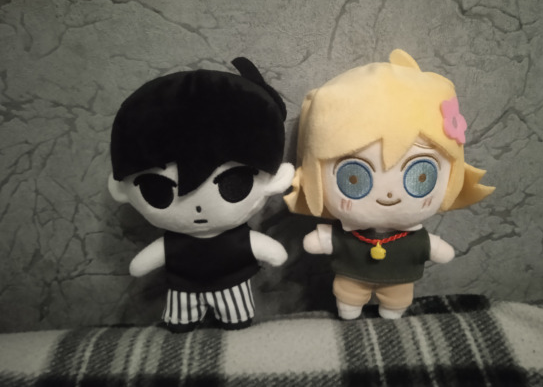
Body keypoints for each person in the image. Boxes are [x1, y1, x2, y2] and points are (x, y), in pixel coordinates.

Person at [284, 49, 494, 320]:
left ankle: (391, 313)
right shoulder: (348, 235)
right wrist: (324, 239)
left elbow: (438, 251)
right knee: (348, 297)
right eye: (354, 178)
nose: (389, 194)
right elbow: (319, 242)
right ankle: (350, 311)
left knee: (397, 300)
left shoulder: (413, 239)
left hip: (399, 281)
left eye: (420, 176)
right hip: (350, 279)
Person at [108, 57, 294, 331]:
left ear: (275, 180)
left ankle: (230, 318)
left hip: (232, 285)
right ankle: (184, 320)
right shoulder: (174, 243)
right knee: (180, 322)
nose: (197, 207)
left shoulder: (238, 239)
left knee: (237, 319)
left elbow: (271, 253)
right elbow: (141, 265)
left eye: (232, 184)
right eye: (158, 190)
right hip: (183, 288)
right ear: (121, 189)